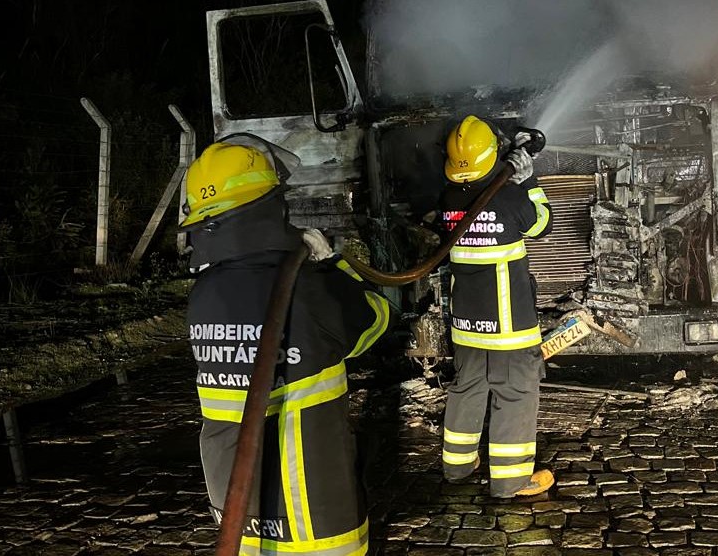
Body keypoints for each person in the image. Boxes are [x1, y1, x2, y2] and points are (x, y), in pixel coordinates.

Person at [181, 133, 391, 556]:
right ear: (272, 205)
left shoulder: (202, 295)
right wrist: (332, 266)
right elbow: (375, 322)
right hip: (313, 508)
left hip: (236, 506)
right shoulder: (308, 287)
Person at [436, 115, 555, 498]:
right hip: (508, 326)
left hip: (467, 326)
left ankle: (457, 468)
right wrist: (529, 181)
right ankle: (510, 482)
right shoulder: (507, 198)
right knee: (515, 394)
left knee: (467, 390)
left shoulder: (449, 200)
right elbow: (542, 224)